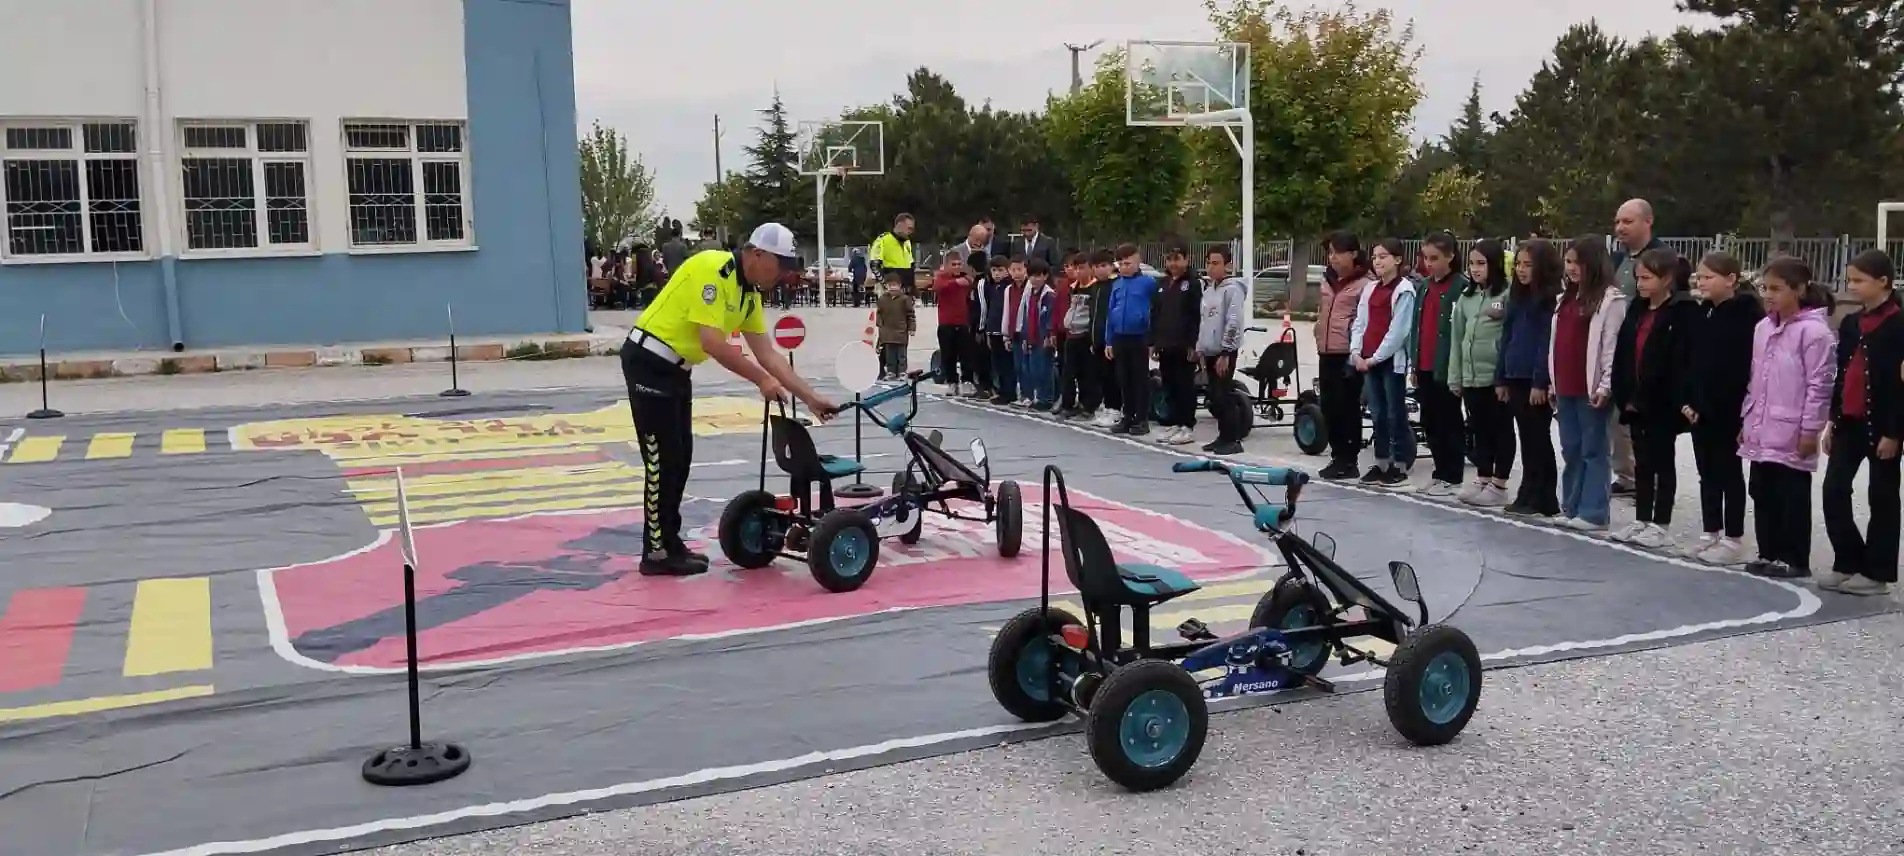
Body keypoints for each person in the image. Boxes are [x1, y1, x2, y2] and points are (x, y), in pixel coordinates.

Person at [623, 223, 837, 577]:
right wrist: (761, 381)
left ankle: (669, 542)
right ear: (756, 254)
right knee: (662, 459)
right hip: (649, 362)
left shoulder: (749, 294)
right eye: (779, 264)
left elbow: (768, 355)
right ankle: (656, 552)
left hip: (676, 369)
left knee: (681, 456)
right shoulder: (713, 269)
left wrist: (811, 398)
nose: (782, 274)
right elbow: (712, 342)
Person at [1739, 256, 1837, 579]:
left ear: (1799, 289)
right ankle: (1768, 551)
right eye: (1765, 288)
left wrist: (1811, 429)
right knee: (1762, 491)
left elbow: (1819, 385)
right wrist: (1747, 420)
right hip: (1762, 426)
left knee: (1790, 495)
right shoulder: (1763, 327)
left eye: (1777, 289)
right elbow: (1756, 378)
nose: (1769, 295)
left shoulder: (1814, 333)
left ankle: (1794, 557)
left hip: (1792, 428)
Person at [1821, 249, 1904, 596]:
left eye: (1858, 280)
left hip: (1883, 425)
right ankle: (1848, 559)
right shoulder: (1852, 322)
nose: (1851, 287)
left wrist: (1895, 432)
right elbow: (1844, 374)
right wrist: (1832, 420)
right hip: (1848, 421)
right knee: (1834, 490)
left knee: (1882, 497)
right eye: (1850, 279)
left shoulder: (1900, 324)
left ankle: (1877, 572)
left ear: (1883, 281)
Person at [1609, 248, 1697, 549]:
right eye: (1638, 278)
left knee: (1662, 462)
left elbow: (1681, 360)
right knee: (1642, 463)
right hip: (1634, 400)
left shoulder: (1683, 312)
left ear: (1667, 279)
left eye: (1647, 278)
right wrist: (1623, 392)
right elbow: (1624, 352)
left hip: (1662, 402)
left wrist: (1676, 398)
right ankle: (1641, 519)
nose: (1641, 283)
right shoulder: (1637, 309)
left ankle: (1661, 524)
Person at [1680, 251, 1763, 565]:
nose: (1702, 283)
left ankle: (1733, 537)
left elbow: (1740, 368)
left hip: (1729, 409)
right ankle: (1710, 530)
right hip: (1699, 409)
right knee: (1707, 473)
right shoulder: (1703, 313)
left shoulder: (1747, 317)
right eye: (1699, 278)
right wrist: (1688, 401)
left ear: (1731, 279)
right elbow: (1692, 361)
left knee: (1729, 474)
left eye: (1708, 277)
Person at [1551, 236, 1627, 533]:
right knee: (1571, 449)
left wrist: (1605, 385)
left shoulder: (1611, 300)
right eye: (1567, 262)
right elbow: (1555, 345)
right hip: (1566, 386)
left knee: (1593, 450)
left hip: (1590, 388)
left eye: (1576, 262)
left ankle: (1594, 512)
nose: (1570, 268)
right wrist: (1552, 383)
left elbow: (1611, 346)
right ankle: (1571, 506)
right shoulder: (1564, 299)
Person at [1496, 239, 1562, 518]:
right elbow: (1507, 338)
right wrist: (1501, 377)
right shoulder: (1517, 298)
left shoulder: (1548, 301)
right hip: (1515, 375)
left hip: (1534, 379)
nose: (1521, 270)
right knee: (1527, 437)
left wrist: (1539, 382)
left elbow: (1545, 344)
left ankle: (1543, 495)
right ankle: (1530, 492)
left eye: (1528, 265)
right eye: (1519, 264)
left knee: (1538, 437)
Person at [1447, 239, 1512, 507]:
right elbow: (1457, 338)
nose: (1475, 269)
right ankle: (1483, 477)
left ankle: (1499, 483)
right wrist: (1456, 376)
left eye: (1481, 263)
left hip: (1495, 379)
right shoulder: (1467, 297)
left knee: (1501, 430)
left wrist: (1505, 377)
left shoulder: (1507, 295)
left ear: (1494, 264)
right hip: (1471, 377)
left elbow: (1510, 336)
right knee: (1478, 429)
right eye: (1472, 263)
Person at [1349, 238, 1419, 486]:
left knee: (1394, 413)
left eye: (1384, 256)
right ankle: (1381, 462)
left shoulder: (1405, 290)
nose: (1377, 261)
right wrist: (1356, 352)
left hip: (1390, 362)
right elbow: (1360, 323)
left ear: (1398, 260)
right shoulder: (1370, 289)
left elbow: (1398, 332)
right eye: (1375, 256)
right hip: (1368, 360)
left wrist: (1376, 357)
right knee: (1377, 413)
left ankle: (1399, 464)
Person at [1610, 199, 1665, 497]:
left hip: (1646, 349)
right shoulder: (1617, 260)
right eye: (1618, 222)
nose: (1620, 228)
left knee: (1643, 418)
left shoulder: (1663, 258)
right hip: (1618, 349)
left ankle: (1651, 480)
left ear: (1648, 221)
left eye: (1628, 222)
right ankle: (1626, 476)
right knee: (1617, 419)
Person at [1413, 231, 1469, 497]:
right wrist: (1415, 364)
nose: (1429, 263)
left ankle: (1453, 476)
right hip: (1424, 365)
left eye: (1434, 258)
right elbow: (1417, 326)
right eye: (1426, 258)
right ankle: (1439, 472)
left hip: (1447, 367)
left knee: (1450, 421)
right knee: (1430, 421)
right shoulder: (1423, 286)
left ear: (1450, 256)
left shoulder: (1462, 287)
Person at [1315, 232, 1374, 481]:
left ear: (1353, 254)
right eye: (1330, 253)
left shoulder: (1366, 283)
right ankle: (1337, 455)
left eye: (1338, 252)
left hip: (1348, 354)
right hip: (1326, 350)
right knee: (1328, 407)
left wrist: (1358, 351)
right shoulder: (1327, 280)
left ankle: (1349, 460)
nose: (1333, 258)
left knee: (1347, 408)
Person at [1151, 243, 1205, 446]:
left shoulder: (1193, 284)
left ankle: (1186, 426)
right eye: (1170, 259)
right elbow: (1155, 313)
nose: (1173, 263)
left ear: (1186, 260)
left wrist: (1193, 344)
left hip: (1184, 345)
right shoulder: (1162, 283)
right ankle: (1173, 423)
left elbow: (1195, 316)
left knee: (1185, 386)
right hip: (1165, 344)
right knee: (1169, 385)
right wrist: (1154, 342)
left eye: (1177, 259)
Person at [1197, 245, 1249, 455]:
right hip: (1209, 351)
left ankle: (1233, 439)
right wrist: (1201, 349)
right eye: (1208, 262)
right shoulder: (1209, 291)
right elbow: (1204, 322)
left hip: (1223, 352)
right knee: (1214, 397)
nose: (1211, 267)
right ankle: (1222, 436)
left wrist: (1226, 352)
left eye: (1216, 263)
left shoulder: (1233, 290)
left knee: (1223, 395)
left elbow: (1234, 321)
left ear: (1228, 265)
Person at [1106, 244, 1159, 435]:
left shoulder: (1149, 284)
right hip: (1120, 337)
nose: (1124, 267)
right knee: (1123, 378)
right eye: (1121, 263)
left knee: (1139, 380)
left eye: (1128, 263)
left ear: (1138, 262)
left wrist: (1152, 339)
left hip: (1139, 337)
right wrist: (1109, 340)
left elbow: (1156, 311)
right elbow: (1110, 312)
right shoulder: (1117, 284)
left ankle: (1142, 419)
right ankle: (1127, 416)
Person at [1057, 252, 1101, 421]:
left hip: (1085, 335)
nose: (1078, 272)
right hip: (1072, 334)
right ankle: (1068, 404)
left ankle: (1088, 406)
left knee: (1087, 374)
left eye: (1082, 268)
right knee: (1069, 372)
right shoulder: (1073, 286)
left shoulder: (1095, 288)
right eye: (1076, 268)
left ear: (1090, 268)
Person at [1019, 257, 1060, 411]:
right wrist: (1024, 335)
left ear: (1045, 276)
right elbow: (1026, 316)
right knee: (1032, 369)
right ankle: (1039, 396)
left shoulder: (1048, 295)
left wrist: (1049, 335)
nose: (1034, 279)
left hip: (1043, 338)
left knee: (1044, 369)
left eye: (1038, 276)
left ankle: (1047, 398)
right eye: (1031, 276)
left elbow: (1050, 316)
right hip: (1031, 336)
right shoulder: (1030, 293)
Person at [930, 254, 975, 395]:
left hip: (962, 322)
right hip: (946, 323)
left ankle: (967, 381)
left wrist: (966, 280)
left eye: (959, 264)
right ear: (947, 265)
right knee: (948, 355)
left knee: (966, 355)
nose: (956, 267)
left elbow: (972, 283)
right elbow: (937, 287)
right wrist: (955, 282)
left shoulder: (966, 278)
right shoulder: (941, 278)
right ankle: (952, 381)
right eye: (953, 264)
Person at [1088, 249, 1124, 426]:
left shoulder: (1116, 285)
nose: (1100, 270)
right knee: (1102, 376)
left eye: (1104, 266)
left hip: (1112, 340)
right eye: (1096, 266)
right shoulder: (1095, 287)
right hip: (1097, 340)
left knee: (1113, 376)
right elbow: (1092, 316)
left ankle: (1116, 409)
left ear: (1111, 266)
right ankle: (1108, 407)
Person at [980, 254, 1019, 405]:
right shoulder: (992, 287)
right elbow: (990, 310)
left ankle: (1009, 392)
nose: (996, 273)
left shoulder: (1008, 287)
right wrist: (988, 331)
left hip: (1004, 332)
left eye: (1000, 270)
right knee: (997, 364)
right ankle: (1001, 390)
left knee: (1006, 364)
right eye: (994, 270)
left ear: (1007, 271)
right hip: (993, 330)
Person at [875, 271, 916, 381]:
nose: (892, 288)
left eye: (894, 285)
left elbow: (911, 315)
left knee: (901, 354)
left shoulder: (905, 299)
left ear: (900, 286)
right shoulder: (883, 299)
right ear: (886, 286)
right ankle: (891, 372)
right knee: (890, 355)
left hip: (901, 331)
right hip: (887, 332)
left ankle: (902, 372)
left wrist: (912, 328)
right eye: (890, 285)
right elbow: (879, 312)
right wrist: (879, 322)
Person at [869, 214, 917, 296]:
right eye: (909, 228)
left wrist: (913, 288)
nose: (910, 232)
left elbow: (911, 266)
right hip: (889, 289)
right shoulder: (883, 240)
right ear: (899, 225)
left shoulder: (907, 242)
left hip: (905, 289)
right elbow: (874, 266)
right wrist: (885, 285)